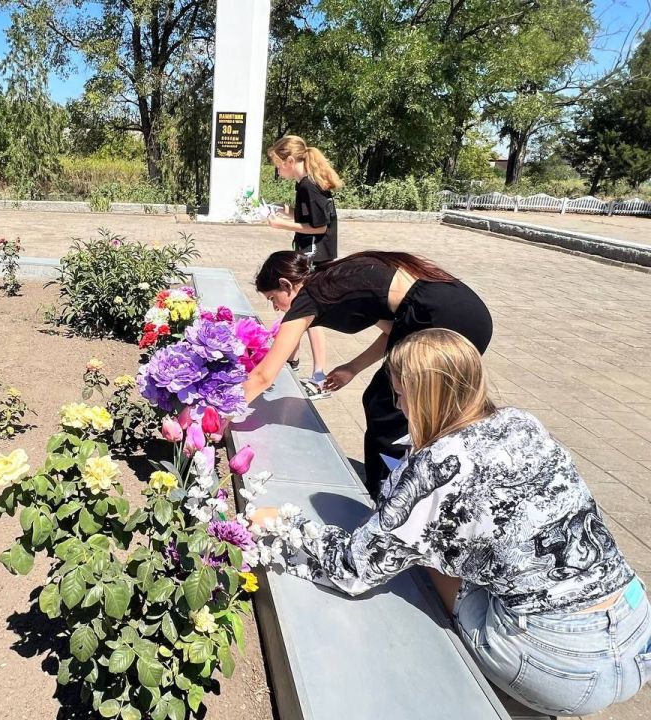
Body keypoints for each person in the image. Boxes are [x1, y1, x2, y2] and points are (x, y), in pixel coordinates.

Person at [251, 329, 650, 718]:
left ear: (421, 395)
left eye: (401, 394)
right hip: (637, 627)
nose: (399, 404)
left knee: (425, 553)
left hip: (558, 666)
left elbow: (353, 571)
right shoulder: (521, 423)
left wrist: (285, 523)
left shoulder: (434, 467)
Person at [245, 249, 492, 499]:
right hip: (462, 311)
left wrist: (224, 413)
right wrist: (352, 368)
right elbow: (394, 330)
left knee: (388, 409)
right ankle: (420, 481)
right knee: (402, 406)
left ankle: (389, 496)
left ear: (286, 284)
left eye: (273, 298)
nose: (276, 308)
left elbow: (264, 375)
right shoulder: (332, 279)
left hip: (444, 318)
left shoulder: (311, 295)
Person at [263, 135, 343, 393]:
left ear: (289, 160)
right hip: (311, 253)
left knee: (310, 313)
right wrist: (286, 211)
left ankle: (318, 374)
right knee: (301, 310)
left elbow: (319, 227)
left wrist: (281, 224)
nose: (277, 169)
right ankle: (292, 362)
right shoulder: (304, 184)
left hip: (316, 256)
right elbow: (309, 215)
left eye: (278, 164)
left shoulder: (309, 184)